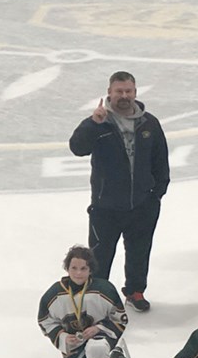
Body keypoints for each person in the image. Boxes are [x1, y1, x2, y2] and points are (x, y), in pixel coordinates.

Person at [68, 71, 170, 312]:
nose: (124, 96)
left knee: (139, 252)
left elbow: (161, 161)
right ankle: (97, 297)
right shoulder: (100, 123)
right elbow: (77, 148)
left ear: (135, 92)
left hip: (143, 205)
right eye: (119, 91)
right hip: (106, 208)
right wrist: (93, 123)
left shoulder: (150, 123)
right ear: (109, 92)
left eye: (128, 91)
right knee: (100, 256)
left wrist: (156, 194)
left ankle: (135, 291)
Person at [37, 245, 130, 358]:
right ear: (67, 268)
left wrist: (99, 329)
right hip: (73, 346)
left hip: (99, 338)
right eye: (74, 268)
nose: (78, 273)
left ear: (90, 270)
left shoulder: (105, 289)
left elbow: (120, 318)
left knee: (96, 349)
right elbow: (45, 321)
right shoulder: (53, 294)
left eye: (83, 269)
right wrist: (63, 337)